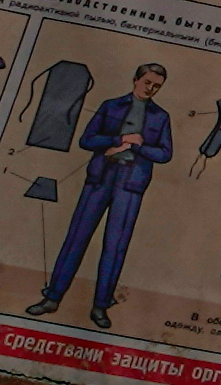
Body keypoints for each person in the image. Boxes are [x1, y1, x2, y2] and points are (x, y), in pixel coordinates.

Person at [39, 64, 175, 326]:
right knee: (76, 238)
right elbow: (86, 140)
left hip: (131, 183)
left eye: (157, 86)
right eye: (147, 82)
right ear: (135, 79)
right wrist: (117, 140)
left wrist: (140, 145)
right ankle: (52, 298)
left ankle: (100, 307)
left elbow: (165, 154)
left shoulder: (161, 116)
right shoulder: (110, 106)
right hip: (101, 176)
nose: (151, 89)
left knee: (115, 246)